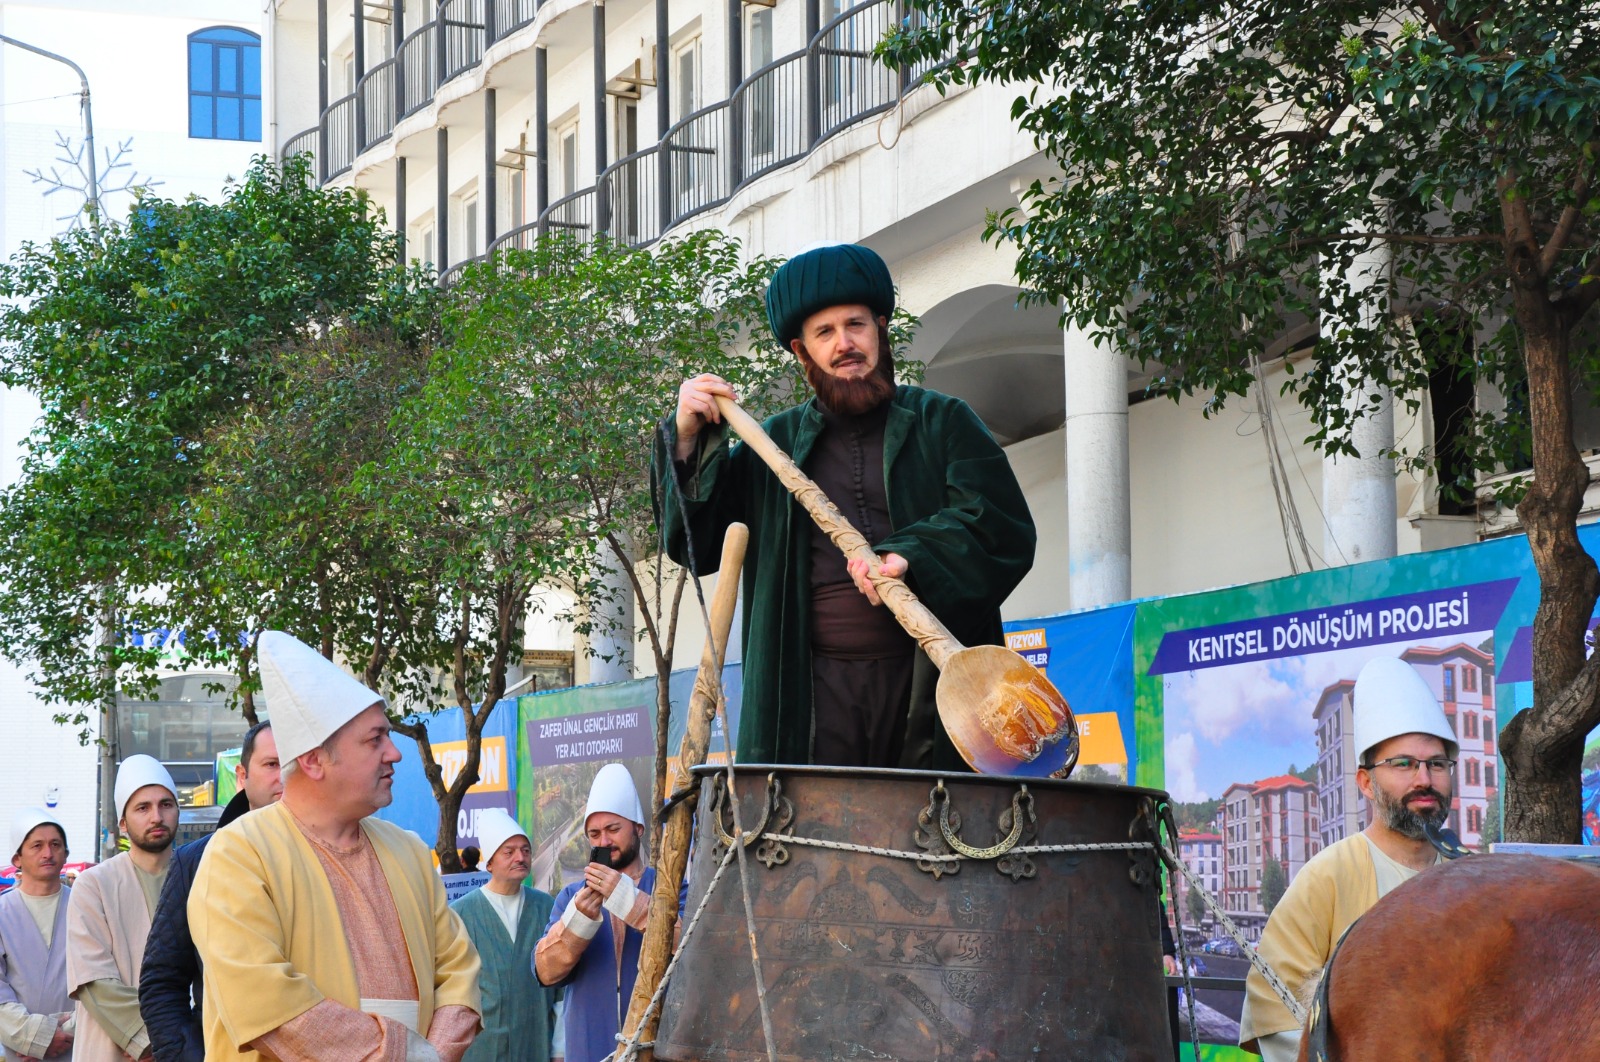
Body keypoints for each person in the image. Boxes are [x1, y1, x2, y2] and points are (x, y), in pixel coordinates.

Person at [654, 242, 1036, 769]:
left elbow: (1002, 526)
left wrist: (910, 557)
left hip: (930, 681)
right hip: (809, 692)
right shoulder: (773, 444)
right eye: (824, 333)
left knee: (939, 833)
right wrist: (686, 440)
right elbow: (693, 546)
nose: (844, 344)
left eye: (855, 325)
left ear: (880, 327)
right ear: (801, 350)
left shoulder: (944, 421)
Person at [188, 630, 480, 1061]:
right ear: (313, 760)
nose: (394, 754)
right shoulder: (238, 855)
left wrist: (434, 1053)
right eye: (375, 739)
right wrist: (409, 1056)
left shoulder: (410, 852)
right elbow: (271, 1010)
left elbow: (459, 972)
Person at [1240, 656, 1458, 1061]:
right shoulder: (1326, 877)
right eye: (1404, 764)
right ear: (1366, 783)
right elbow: (1276, 1010)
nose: (1424, 779)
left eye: (1437, 764)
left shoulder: (1470, 877)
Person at [139, 720, 283, 1062]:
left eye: (293, 764)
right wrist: (190, 1055)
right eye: (272, 764)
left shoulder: (329, 853)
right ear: (243, 776)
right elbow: (162, 981)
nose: (285, 777)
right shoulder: (196, 860)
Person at [534, 765, 656, 1062]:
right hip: (588, 1046)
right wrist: (576, 924)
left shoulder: (667, 888)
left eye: (614, 829)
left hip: (654, 1044)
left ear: (638, 828)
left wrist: (629, 899)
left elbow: (688, 950)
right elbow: (544, 971)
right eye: (594, 833)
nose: (603, 841)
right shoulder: (571, 897)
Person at [66, 755, 180, 1062]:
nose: (156, 816)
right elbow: (94, 980)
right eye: (143, 808)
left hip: (188, 1043)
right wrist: (152, 1038)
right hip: (116, 1047)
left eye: (166, 805)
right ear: (124, 823)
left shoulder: (199, 874)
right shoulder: (93, 884)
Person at [451, 809, 557, 1062]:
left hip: (537, 1042)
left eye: (525, 850)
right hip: (482, 1047)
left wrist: (560, 1049)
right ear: (489, 863)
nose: (520, 858)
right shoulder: (461, 914)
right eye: (509, 852)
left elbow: (561, 990)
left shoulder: (547, 907)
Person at [0, 808, 75, 1061]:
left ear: (66, 854)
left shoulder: (87, 908)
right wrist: (33, 1038)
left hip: (79, 1044)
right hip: (19, 1051)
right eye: (37, 845)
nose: (48, 853)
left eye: (55, 844)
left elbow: (103, 980)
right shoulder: (2, 912)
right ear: (17, 858)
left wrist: (63, 1032)